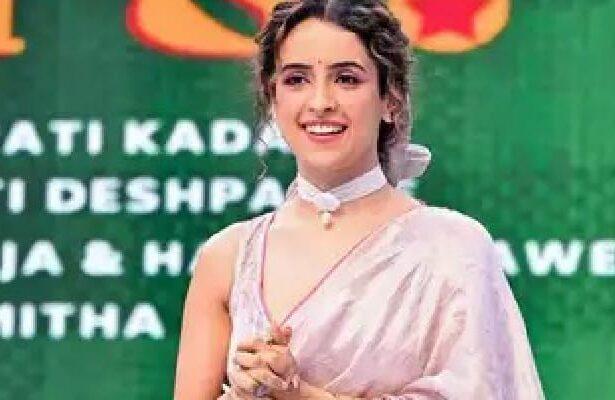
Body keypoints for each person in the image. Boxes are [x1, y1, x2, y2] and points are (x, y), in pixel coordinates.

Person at [173, 0, 545, 399]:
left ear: (391, 99)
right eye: (296, 79)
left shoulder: (454, 249)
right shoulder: (227, 259)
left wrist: (297, 393)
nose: (320, 102)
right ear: (272, 97)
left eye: (346, 79)